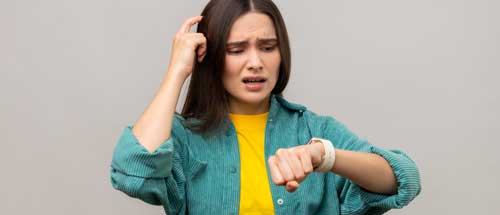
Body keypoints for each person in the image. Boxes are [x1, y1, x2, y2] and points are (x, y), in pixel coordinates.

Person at [110, 0, 421, 214]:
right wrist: (177, 71)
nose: (256, 63)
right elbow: (133, 172)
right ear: (213, 56)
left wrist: (324, 156)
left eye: (268, 48)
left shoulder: (313, 130)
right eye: (236, 50)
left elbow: (404, 178)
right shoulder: (183, 138)